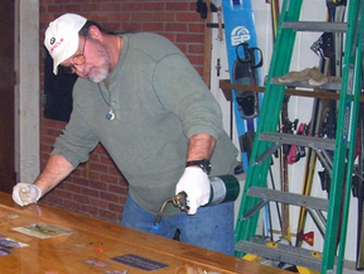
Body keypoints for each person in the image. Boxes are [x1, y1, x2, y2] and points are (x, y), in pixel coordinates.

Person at [12, 13, 239, 255]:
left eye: (79, 56)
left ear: (95, 34)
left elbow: (201, 112)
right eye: (71, 67)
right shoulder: (86, 90)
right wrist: (37, 189)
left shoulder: (153, 56)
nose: (81, 69)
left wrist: (196, 169)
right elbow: (72, 146)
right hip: (144, 201)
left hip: (201, 195)